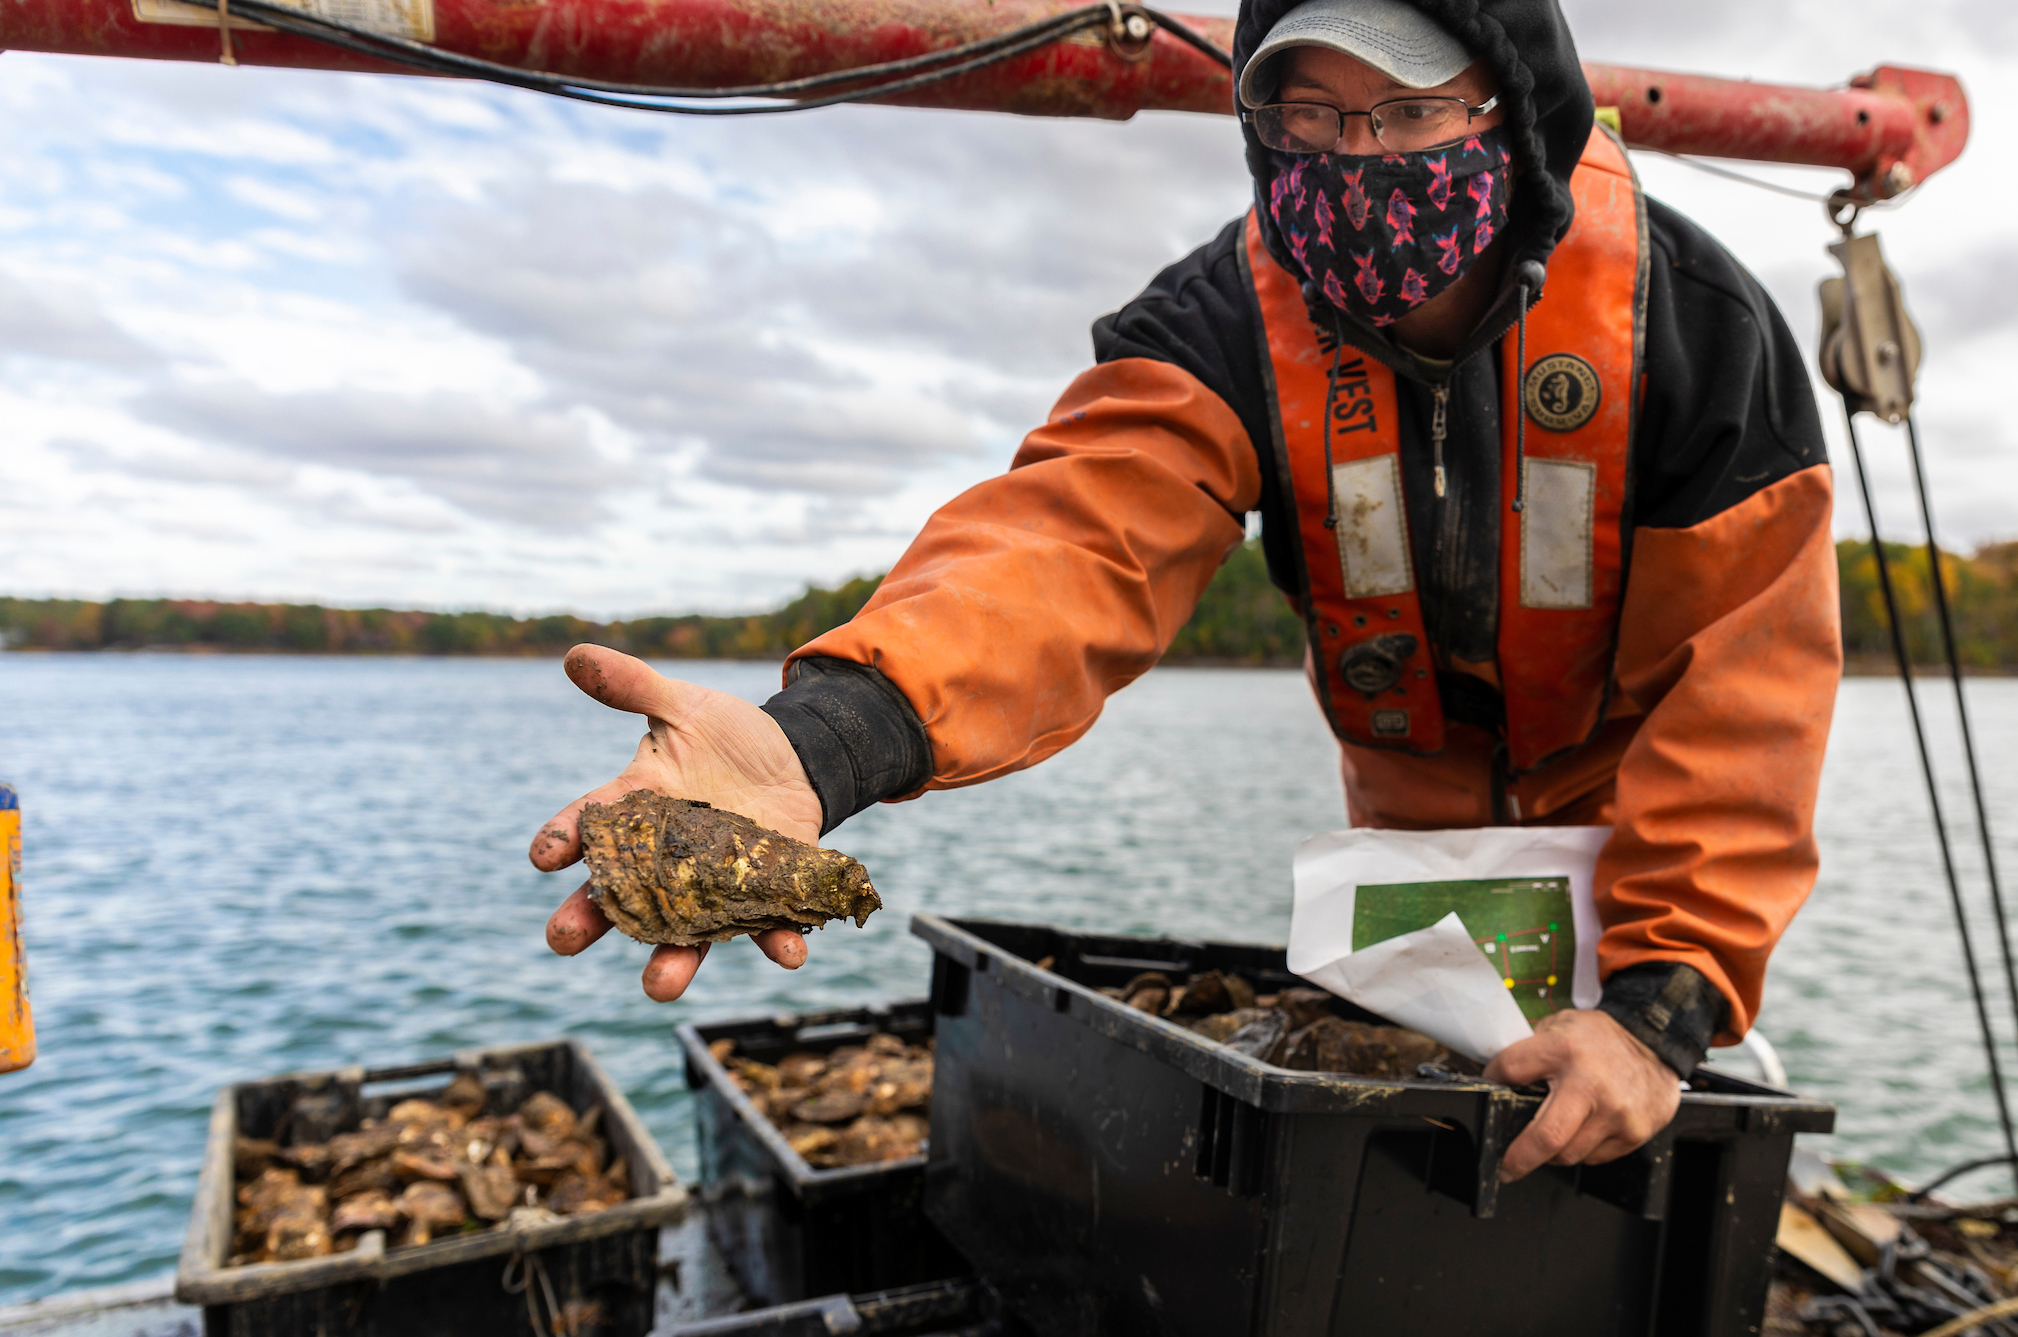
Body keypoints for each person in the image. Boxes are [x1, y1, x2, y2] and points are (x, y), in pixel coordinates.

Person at [531, 0, 1839, 1185]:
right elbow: (1066, 549)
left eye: (1408, 111)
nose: (1359, 157)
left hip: (1646, 876)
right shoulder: (1224, 323)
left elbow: (1744, 690)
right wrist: (820, 746)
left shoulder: (1695, 323)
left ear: (1512, 103)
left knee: (1629, 1163)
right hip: (1422, 876)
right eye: (1309, 118)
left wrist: (1663, 1007)